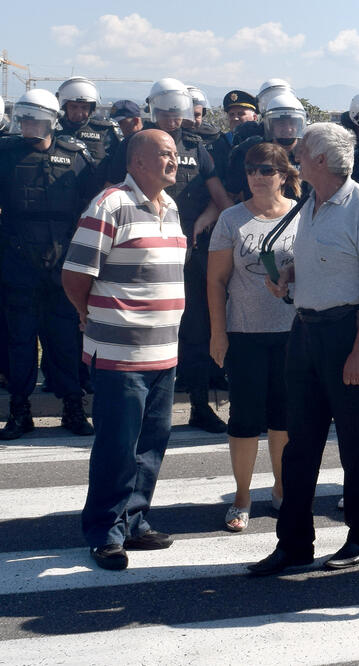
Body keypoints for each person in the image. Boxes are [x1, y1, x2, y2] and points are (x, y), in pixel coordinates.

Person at [247, 122, 359, 576]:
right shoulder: (310, 203)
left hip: (349, 331)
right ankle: (293, 544)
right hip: (304, 331)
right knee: (299, 444)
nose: (294, 159)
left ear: (321, 160)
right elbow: (319, 265)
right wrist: (288, 276)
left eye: (301, 151)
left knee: (356, 445)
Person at [62, 129, 187, 570]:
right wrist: (89, 316)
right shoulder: (110, 204)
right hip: (119, 354)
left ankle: (134, 520)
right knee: (117, 446)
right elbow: (75, 275)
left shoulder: (170, 208)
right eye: (165, 154)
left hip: (163, 353)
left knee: (151, 445)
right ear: (136, 162)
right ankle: (105, 532)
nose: (175, 160)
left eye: (176, 153)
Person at [108, 79, 234, 433]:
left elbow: (221, 201)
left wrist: (205, 220)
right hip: (144, 253)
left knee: (194, 331)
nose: (172, 119)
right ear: (153, 111)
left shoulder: (197, 148)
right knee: (146, 328)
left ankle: (198, 405)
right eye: (164, 113)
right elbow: (111, 192)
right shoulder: (134, 145)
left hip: (189, 254)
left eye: (176, 113)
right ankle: (144, 407)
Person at [207, 142, 300, 532]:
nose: (257, 177)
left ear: (282, 173)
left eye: (265, 169)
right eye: (250, 170)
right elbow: (215, 280)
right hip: (244, 332)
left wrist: (291, 275)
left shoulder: (302, 213)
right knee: (244, 419)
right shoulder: (231, 218)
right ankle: (242, 494)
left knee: (284, 418)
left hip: (292, 332)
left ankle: (281, 488)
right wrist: (217, 333)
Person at [0, 89, 95, 440]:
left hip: (63, 262)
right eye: (24, 118)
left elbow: (94, 205)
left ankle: (72, 407)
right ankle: (20, 411)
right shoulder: (5, 153)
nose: (28, 125)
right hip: (17, 260)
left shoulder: (76, 156)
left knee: (65, 340)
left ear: (52, 120)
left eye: (35, 118)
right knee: (20, 340)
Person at [55, 76, 121, 189]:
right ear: (65, 107)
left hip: (97, 195)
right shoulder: (53, 129)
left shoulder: (105, 130)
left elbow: (119, 164)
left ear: (92, 109)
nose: (79, 113)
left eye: (84, 108)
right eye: (74, 107)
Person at [210, 90, 258, 185]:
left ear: (255, 117)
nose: (235, 118)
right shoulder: (218, 144)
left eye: (241, 114)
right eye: (231, 114)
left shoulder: (263, 142)